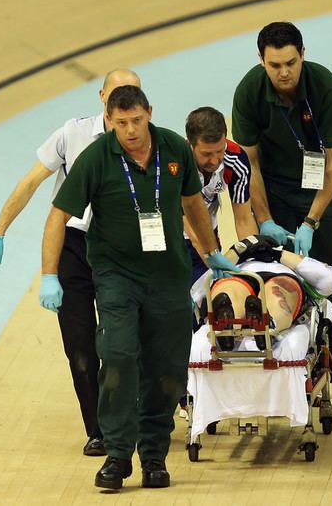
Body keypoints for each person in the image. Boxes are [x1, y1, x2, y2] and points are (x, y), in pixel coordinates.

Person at [38, 85, 239, 490]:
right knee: (118, 354)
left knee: (165, 367)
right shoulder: (96, 159)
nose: (130, 130)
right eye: (121, 122)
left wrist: (212, 252)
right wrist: (49, 273)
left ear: (150, 112)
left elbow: (193, 205)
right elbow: (58, 214)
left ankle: (153, 456)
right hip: (117, 278)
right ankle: (116, 455)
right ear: (110, 120)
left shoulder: (175, 150)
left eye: (137, 120)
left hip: (168, 277)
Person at [0, 69, 141, 457]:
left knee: (120, 342)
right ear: (102, 95)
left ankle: (129, 415)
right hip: (72, 247)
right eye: (116, 94)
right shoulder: (72, 134)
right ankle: (98, 429)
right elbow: (31, 181)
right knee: (81, 348)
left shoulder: (144, 138)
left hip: (120, 249)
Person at [231, 21, 332, 380]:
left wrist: (312, 221)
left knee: (323, 278)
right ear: (261, 61)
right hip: (273, 189)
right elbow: (247, 163)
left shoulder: (324, 86)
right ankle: (279, 365)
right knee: (276, 275)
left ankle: (322, 361)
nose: (284, 73)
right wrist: (264, 218)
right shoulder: (250, 91)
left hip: (322, 193)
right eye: (275, 65)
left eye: (290, 63)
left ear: (302, 55)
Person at [187, 235, 332, 438]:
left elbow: (328, 279)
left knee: (274, 290)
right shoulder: (232, 263)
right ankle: (259, 323)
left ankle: (241, 324)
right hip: (238, 275)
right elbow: (200, 286)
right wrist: (237, 253)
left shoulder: (291, 266)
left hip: (261, 276)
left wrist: (277, 254)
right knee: (233, 289)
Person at [183, 107, 258, 283]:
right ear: (190, 145)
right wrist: (211, 258)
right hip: (173, 236)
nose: (215, 160)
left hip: (207, 233)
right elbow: (188, 223)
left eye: (219, 151)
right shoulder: (177, 162)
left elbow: (244, 219)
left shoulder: (236, 159)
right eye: (206, 154)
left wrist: (253, 261)